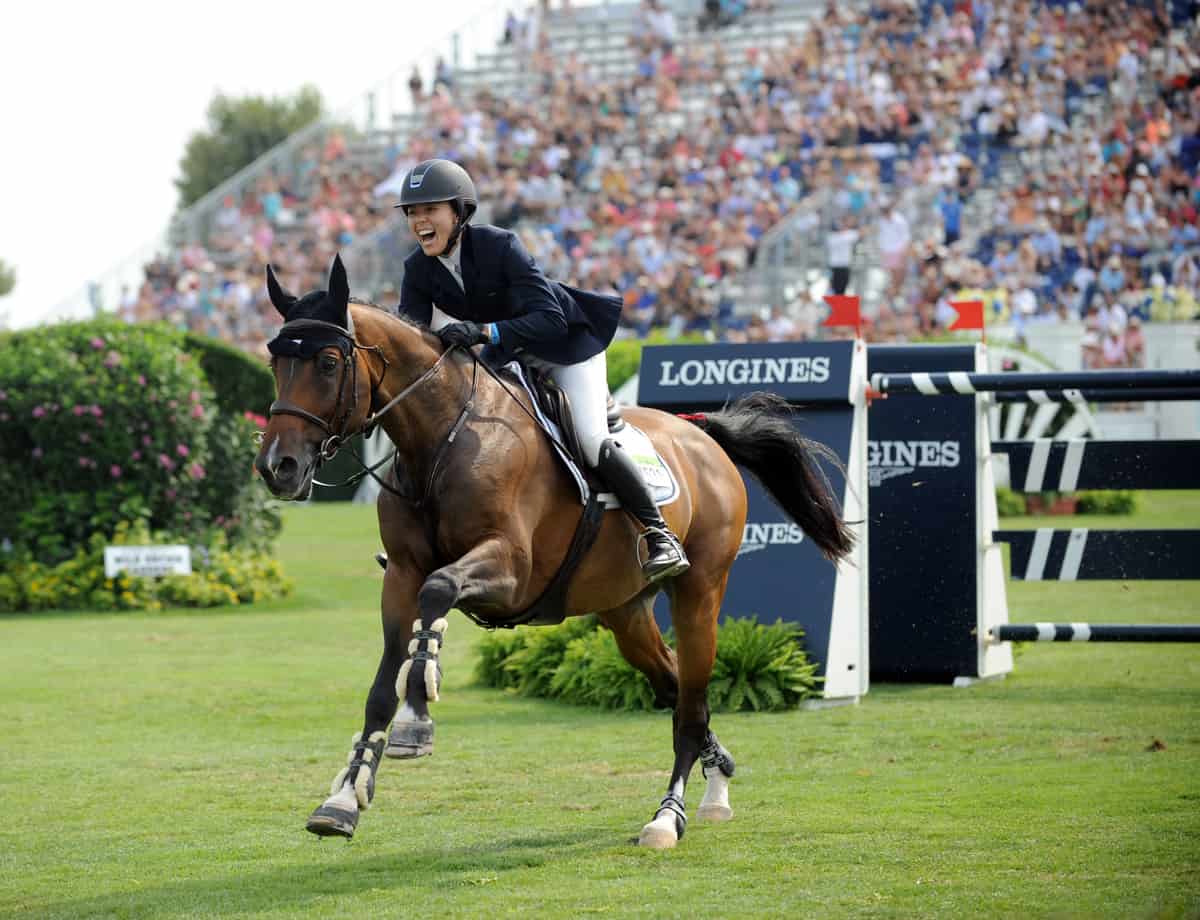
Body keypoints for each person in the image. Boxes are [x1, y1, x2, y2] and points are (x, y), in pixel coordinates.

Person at [395, 158, 689, 582]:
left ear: (459, 213)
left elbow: (549, 317)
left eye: (429, 210)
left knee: (590, 438)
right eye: (412, 212)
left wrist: (482, 331)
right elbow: (413, 339)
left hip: (563, 346)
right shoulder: (416, 269)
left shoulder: (500, 245)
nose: (418, 220)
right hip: (505, 354)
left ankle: (659, 533)